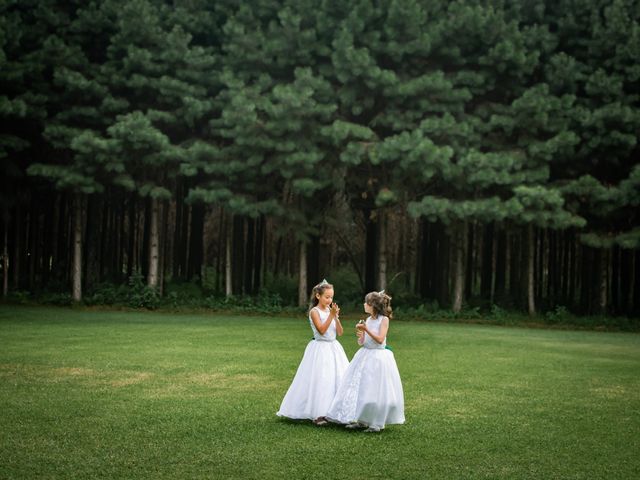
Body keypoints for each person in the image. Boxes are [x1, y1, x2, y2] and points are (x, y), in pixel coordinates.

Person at [326, 290, 405, 432]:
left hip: (378, 357)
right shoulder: (368, 320)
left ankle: (376, 423)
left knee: (375, 390)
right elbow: (364, 342)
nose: (364, 304)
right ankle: (362, 420)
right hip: (365, 355)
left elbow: (380, 339)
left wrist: (366, 330)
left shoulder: (384, 320)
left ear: (373, 305)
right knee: (363, 388)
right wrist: (362, 335)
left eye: (366, 302)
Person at [277, 279, 349, 425]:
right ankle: (319, 414)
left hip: (334, 348)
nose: (330, 300)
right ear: (318, 296)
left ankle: (335, 411)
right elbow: (322, 331)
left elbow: (340, 332)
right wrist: (330, 315)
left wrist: (335, 316)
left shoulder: (330, 311)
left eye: (331, 297)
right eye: (327, 297)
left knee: (337, 378)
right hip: (320, 349)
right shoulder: (314, 312)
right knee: (322, 380)